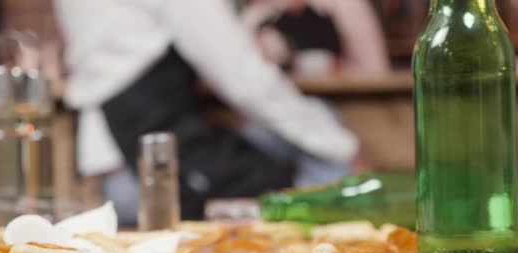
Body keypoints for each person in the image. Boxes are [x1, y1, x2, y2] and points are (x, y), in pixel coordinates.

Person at [54, 0, 360, 225]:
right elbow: (243, 79)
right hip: (159, 184)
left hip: (112, 178)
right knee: (324, 125)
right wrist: (343, 147)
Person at [243, 0, 391, 75]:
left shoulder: (347, 6)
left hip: (347, 111)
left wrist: (338, 68)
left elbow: (377, 70)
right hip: (277, 110)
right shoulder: (258, 14)